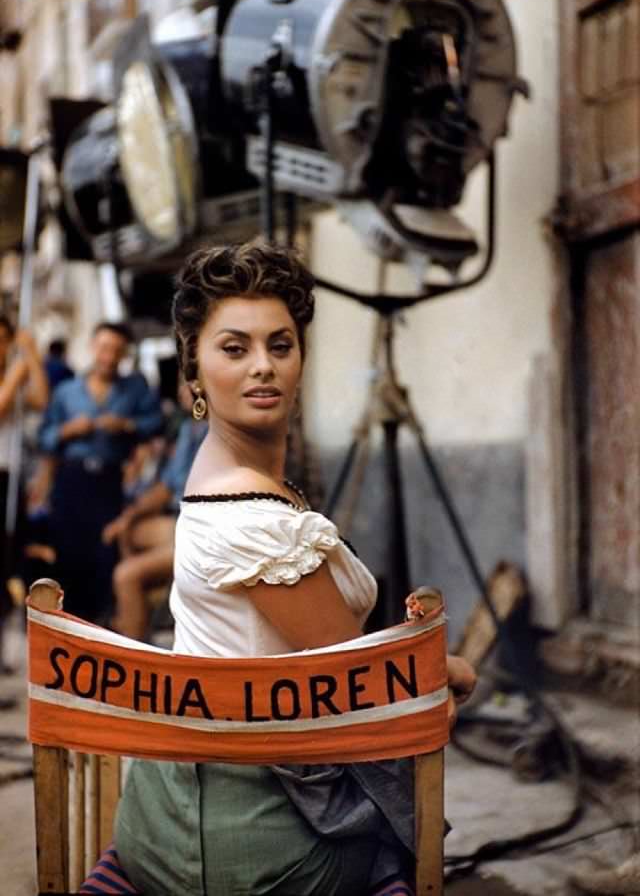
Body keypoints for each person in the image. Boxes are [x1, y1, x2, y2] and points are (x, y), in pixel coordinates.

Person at [114, 243, 476, 896]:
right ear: (193, 365)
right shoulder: (256, 523)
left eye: (280, 345)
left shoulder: (220, 471)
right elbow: (374, 690)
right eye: (234, 348)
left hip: (166, 811)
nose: (263, 368)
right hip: (239, 847)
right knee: (402, 842)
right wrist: (449, 669)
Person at [38, 321, 165, 623]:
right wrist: (67, 431)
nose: (109, 357)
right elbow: (44, 437)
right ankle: (66, 625)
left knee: (104, 554)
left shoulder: (134, 389)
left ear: (123, 355)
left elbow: (157, 423)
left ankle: (98, 627)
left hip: (109, 481)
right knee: (68, 552)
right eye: (105, 348)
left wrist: (126, 425)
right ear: (93, 347)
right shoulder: (67, 391)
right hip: (71, 479)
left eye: (117, 351)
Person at [102, 408, 206, 640]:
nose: (182, 391)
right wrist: (127, 519)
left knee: (125, 575)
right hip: (178, 521)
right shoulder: (189, 429)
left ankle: (133, 648)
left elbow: (171, 490)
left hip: (202, 527)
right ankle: (133, 612)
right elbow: (166, 487)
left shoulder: (218, 433)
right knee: (126, 533)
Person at [0, 319, 48, 645]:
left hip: (10, 478)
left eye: (5, 340)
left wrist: (30, 353)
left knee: (9, 563)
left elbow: (41, 400)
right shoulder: (9, 381)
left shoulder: (13, 378)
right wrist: (15, 376)